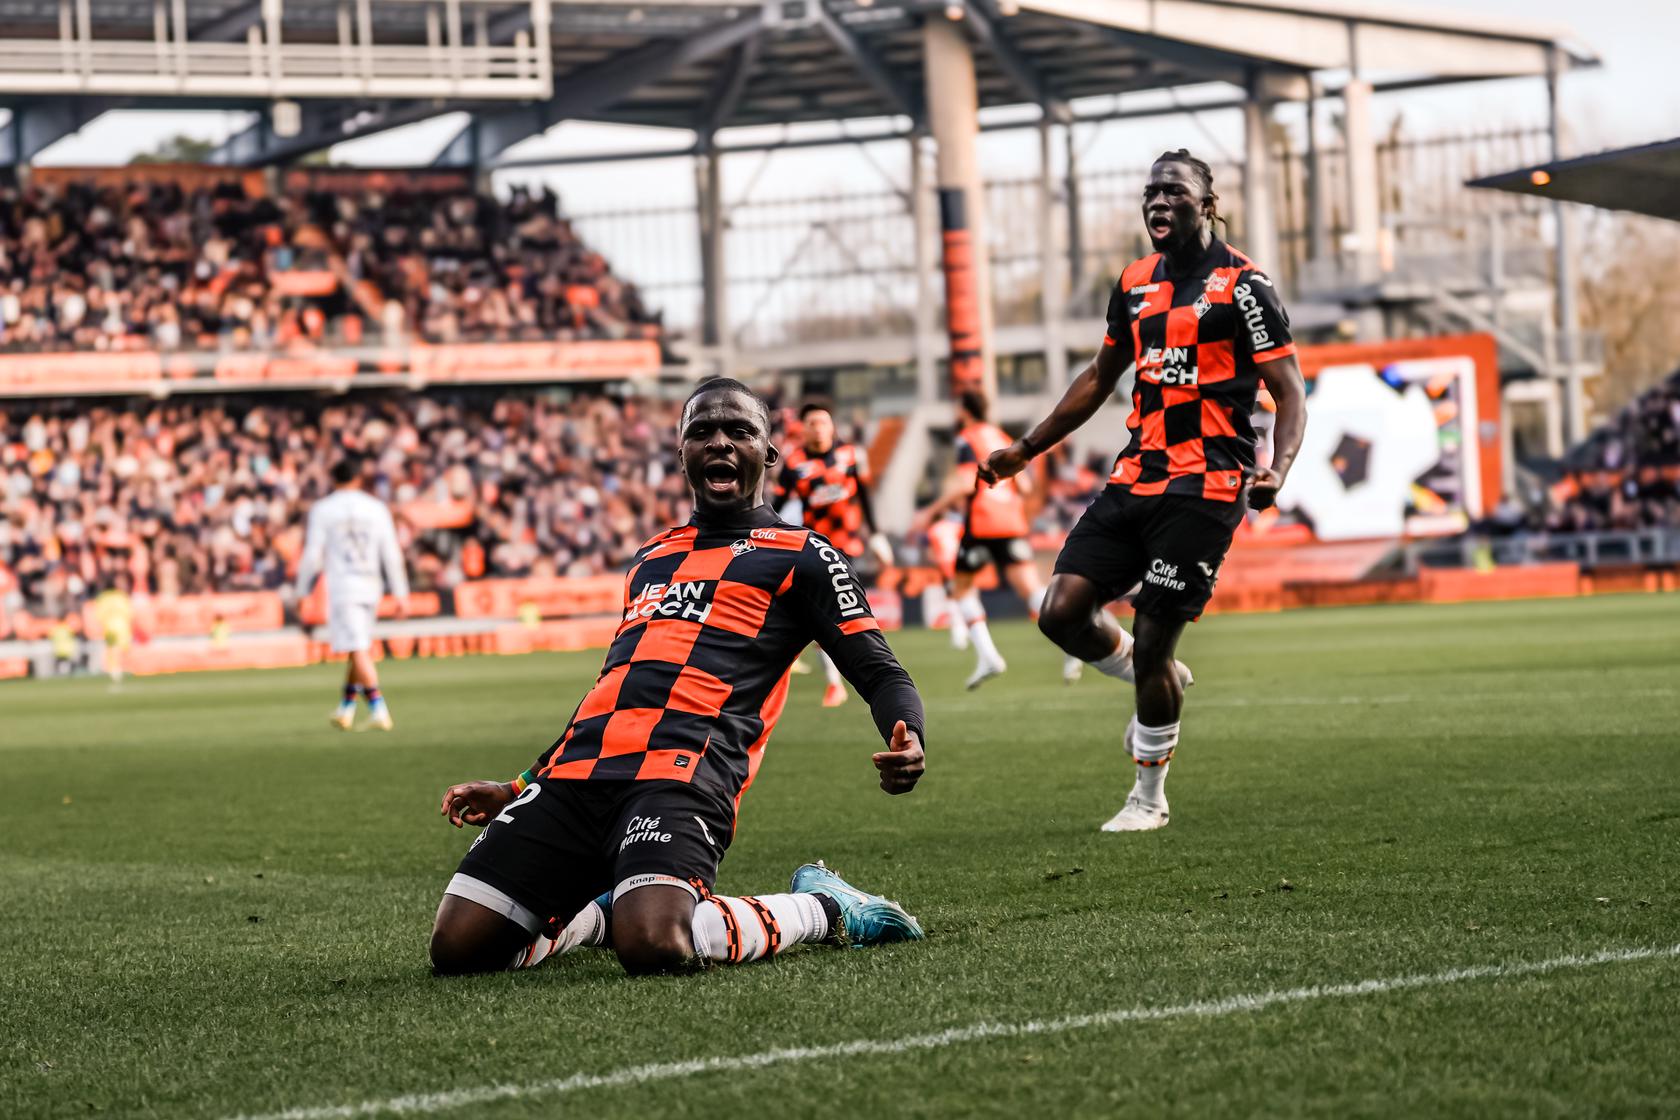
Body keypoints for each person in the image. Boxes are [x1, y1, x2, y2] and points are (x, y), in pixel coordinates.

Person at [428, 378, 928, 978]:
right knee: (458, 948)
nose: (720, 442)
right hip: (579, 775)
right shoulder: (651, 557)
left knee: (656, 943)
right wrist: (518, 786)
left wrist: (910, 734)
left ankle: (824, 907)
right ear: (681, 451)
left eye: (739, 431)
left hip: (681, 776)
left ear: (768, 452)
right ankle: (604, 914)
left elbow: (881, 670)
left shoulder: (804, 555)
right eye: (702, 431)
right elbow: (613, 691)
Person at [979, 149, 1307, 832]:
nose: (1159, 202)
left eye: (1175, 192)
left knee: (1156, 639)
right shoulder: (1134, 282)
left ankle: (1148, 799)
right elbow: (1100, 378)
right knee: (1060, 612)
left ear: (1206, 205)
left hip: (1206, 485)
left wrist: (1277, 467)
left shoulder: (1245, 286)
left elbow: (1289, 391)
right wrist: (1025, 448)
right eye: (1151, 192)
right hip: (1136, 477)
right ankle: (1149, 676)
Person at [913, 391, 1080, 688]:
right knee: (1031, 590)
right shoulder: (1001, 436)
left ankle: (988, 656)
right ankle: (1072, 643)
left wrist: (930, 511)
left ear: (965, 410)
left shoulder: (967, 438)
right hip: (1010, 521)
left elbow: (965, 484)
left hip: (981, 521)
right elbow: (1025, 487)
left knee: (962, 588)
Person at [774, 399, 893, 708]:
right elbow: (775, 507)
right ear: (802, 429)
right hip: (815, 547)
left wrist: (876, 535)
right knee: (818, 615)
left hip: (847, 546)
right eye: (812, 423)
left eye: (823, 422)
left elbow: (865, 496)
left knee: (840, 614)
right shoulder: (794, 463)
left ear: (832, 427)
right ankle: (834, 683)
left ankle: (865, 675)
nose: (818, 428)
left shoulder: (851, 455)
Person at [295, 456, 410, 731]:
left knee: (357, 647)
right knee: (357, 646)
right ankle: (346, 708)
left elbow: (312, 554)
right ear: (358, 478)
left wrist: (302, 590)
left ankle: (378, 708)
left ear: (333, 480)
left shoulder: (324, 509)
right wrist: (400, 592)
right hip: (371, 585)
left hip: (344, 586)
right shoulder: (376, 508)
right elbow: (391, 552)